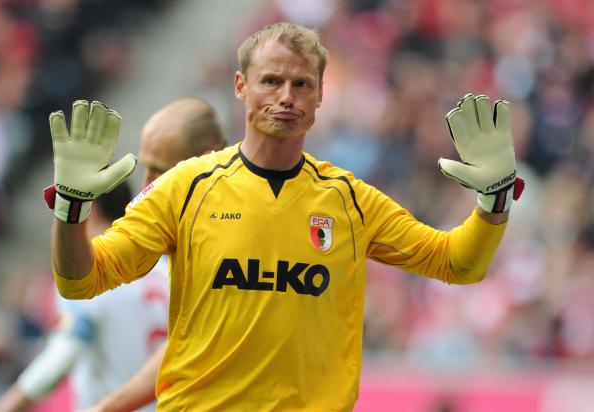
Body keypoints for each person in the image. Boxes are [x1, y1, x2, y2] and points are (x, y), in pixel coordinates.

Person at [47, 22, 524, 411]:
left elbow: (457, 263)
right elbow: (81, 281)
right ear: (241, 86)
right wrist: (70, 213)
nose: (286, 97)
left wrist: (493, 204)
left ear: (320, 97)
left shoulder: (349, 200)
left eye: (302, 84)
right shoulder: (185, 188)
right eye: (271, 81)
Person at [0, 98, 227, 412]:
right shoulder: (169, 266)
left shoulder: (106, 277)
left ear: (93, 209)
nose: (150, 186)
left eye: (159, 171)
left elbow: (63, 353)